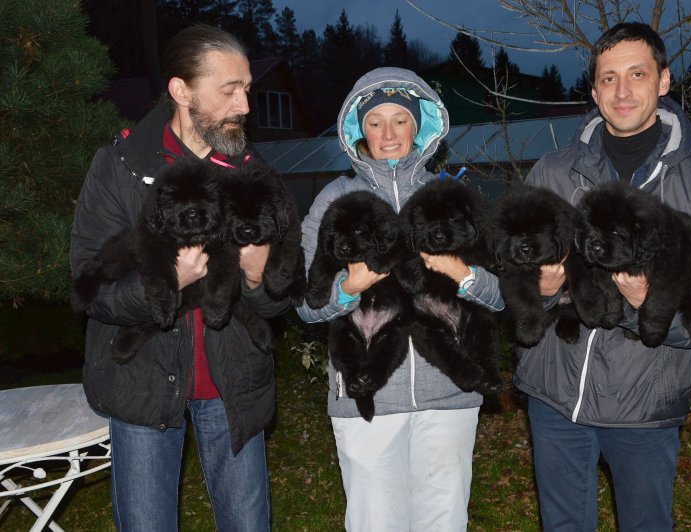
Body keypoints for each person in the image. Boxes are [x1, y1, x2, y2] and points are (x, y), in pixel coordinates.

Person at [517, 22, 691, 531]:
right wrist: (540, 293)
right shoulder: (553, 174)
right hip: (555, 397)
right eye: (608, 78)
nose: (622, 91)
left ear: (663, 81)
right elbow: (512, 279)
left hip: (645, 405)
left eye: (637, 74)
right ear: (594, 91)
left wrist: (647, 305)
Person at [70, 24, 289, 531]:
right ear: (181, 91)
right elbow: (90, 288)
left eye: (247, 89)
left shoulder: (253, 175)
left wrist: (259, 276)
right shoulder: (120, 166)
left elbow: (279, 301)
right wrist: (166, 281)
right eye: (229, 90)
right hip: (142, 385)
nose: (244, 106)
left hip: (233, 387)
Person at [296, 67, 505, 532]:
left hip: (449, 394)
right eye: (375, 122)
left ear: (420, 126)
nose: (388, 134)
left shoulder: (450, 196)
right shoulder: (333, 200)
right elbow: (305, 305)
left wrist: (463, 274)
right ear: (357, 130)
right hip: (366, 396)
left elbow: (502, 296)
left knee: (444, 523)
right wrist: (348, 289)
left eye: (400, 120)